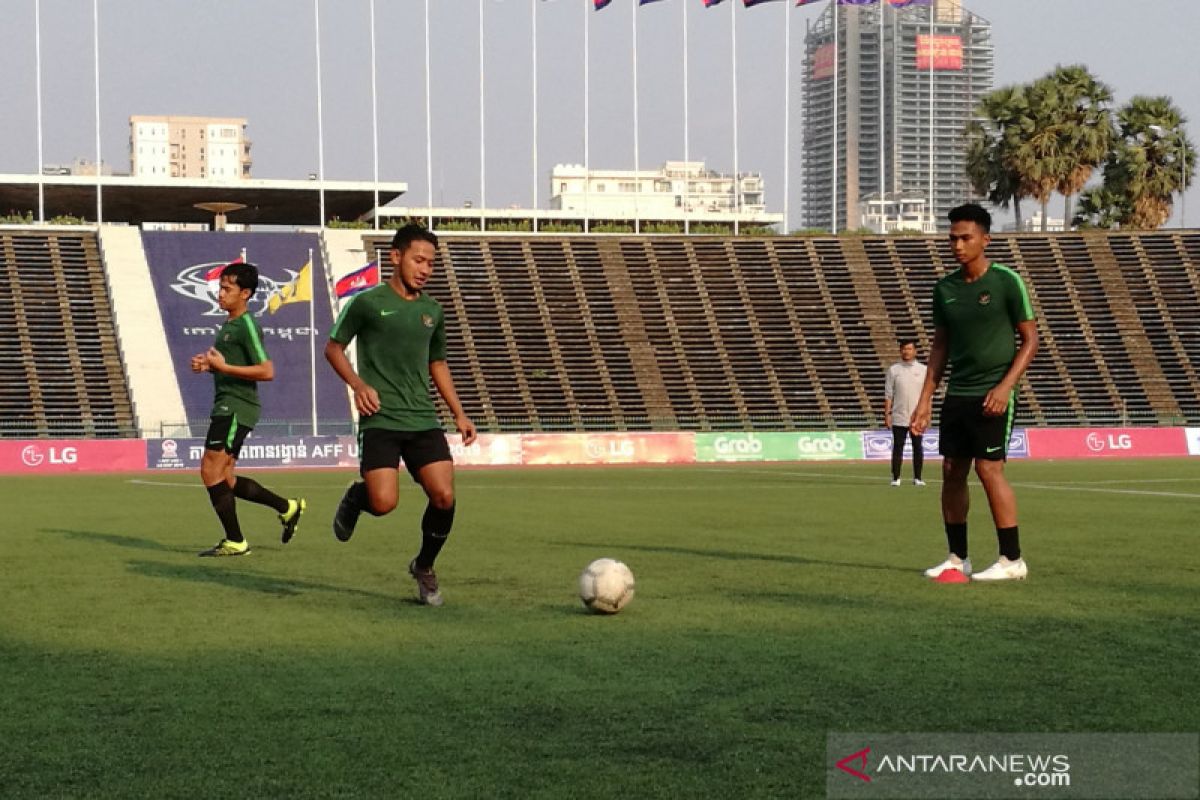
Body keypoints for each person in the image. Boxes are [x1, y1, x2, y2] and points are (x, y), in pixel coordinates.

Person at [324, 224, 477, 606]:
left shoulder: (432, 311)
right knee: (384, 503)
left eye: (431, 263)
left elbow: (437, 363)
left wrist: (459, 413)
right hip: (381, 419)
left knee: (443, 495)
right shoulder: (367, 303)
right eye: (418, 260)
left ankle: (424, 566)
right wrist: (359, 386)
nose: (425, 269)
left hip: (422, 418)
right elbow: (333, 348)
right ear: (396, 256)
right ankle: (357, 497)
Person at [910, 204, 1038, 582]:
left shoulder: (1005, 281)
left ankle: (1012, 560)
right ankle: (957, 557)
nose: (958, 245)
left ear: (985, 239)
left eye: (966, 237)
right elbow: (939, 348)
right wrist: (924, 400)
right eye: (952, 238)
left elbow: (1030, 340)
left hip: (993, 391)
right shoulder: (944, 289)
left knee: (989, 469)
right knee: (952, 471)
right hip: (958, 393)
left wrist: (1005, 386)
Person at [192, 262, 306, 557]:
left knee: (209, 470)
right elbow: (230, 368)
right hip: (228, 404)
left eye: (228, 289)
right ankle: (287, 507)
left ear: (246, 293)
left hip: (235, 407)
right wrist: (209, 367)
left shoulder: (247, 325)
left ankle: (236, 541)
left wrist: (223, 366)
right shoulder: (229, 324)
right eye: (220, 287)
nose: (221, 293)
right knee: (226, 478)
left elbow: (267, 371)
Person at [884, 338, 928, 487]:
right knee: (898, 446)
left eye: (909, 349)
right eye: (904, 349)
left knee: (918, 447)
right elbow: (888, 394)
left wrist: (927, 414)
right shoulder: (894, 370)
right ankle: (896, 477)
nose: (906, 351)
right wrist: (887, 414)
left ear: (915, 351)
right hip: (899, 414)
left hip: (917, 416)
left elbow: (928, 395)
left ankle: (918, 477)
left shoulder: (923, 370)